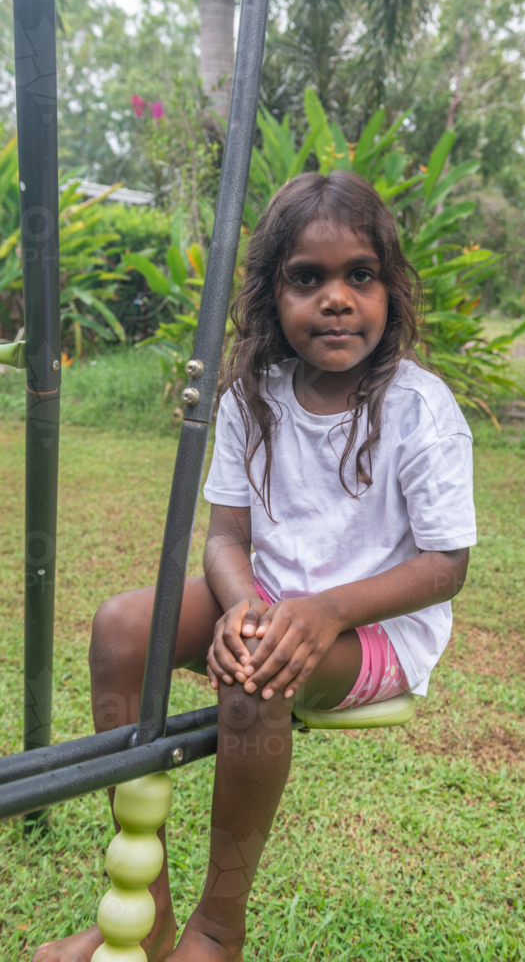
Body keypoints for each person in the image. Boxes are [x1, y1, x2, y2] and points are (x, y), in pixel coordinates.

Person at [33, 170, 476, 962]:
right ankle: (147, 907)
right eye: (308, 278)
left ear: (391, 290)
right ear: (274, 293)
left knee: (255, 676)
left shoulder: (420, 409)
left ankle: (217, 928)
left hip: (376, 629)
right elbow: (225, 539)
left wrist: (325, 611)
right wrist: (241, 605)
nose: (336, 299)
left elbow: (446, 565)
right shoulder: (251, 397)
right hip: (268, 599)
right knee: (124, 626)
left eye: (360, 276)